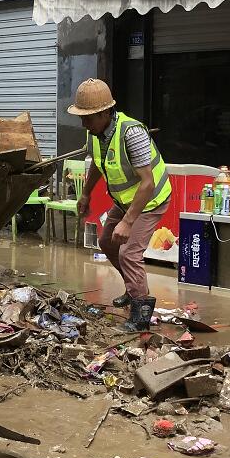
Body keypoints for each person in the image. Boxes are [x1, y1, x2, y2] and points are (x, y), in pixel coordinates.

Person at [69, 78, 170, 331]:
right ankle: (133, 288)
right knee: (106, 242)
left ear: (104, 113)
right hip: (125, 201)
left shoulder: (131, 133)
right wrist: (86, 195)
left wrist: (127, 221)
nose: (83, 123)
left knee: (129, 253)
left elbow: (147, 183)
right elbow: (96, 165)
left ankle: (141, 314)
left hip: (151, 200)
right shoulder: (95, 132)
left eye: (87, 118)